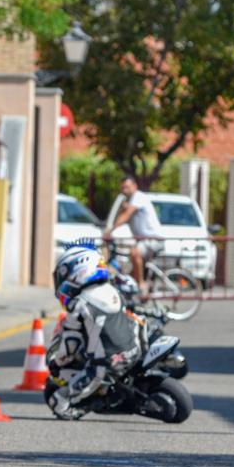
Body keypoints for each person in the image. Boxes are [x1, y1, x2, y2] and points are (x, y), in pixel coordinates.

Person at [47, 246, 147, 420]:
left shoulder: (78, 304)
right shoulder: (113, 290)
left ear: (78, 270)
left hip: (108, 365)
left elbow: (70, 346)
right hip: (137, 349)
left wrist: (57, 361)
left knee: (57, 401)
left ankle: (89, 405)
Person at [104, 175, 163, 295]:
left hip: (153, 238)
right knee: (131, 271)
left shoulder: (138, 197)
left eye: (127, 187)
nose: (125, 190)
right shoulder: (130, 201)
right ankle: (134, 295)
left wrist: (110, 231)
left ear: (135, 187)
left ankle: (141, 284)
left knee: (135, 252)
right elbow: (122, 215)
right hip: (143, 240)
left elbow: (126, 216)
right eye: (123, 188)